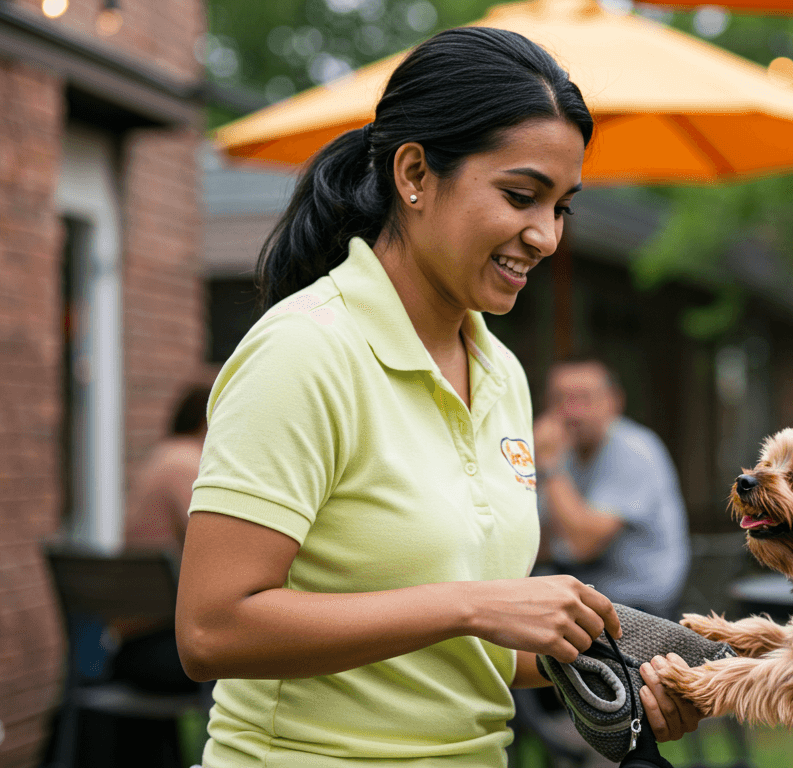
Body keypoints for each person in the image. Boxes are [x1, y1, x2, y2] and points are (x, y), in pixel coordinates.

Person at [174, 28, 699, 767]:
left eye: (562, 208)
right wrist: (474, 601)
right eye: (521, 196)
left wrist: (613, 670)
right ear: (415, 174)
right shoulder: (304, 351)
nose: (546, 236)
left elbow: (462, 651)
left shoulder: (502, 373)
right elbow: (211, 630)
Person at [533, 359, 690, 618]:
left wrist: (550, 467)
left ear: (614, 401)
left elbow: (582, 544)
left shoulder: (635, 449)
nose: (572, 412)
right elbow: (536, 541)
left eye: (585, 399)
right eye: (560, 400)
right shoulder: (561, 451)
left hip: (640, 609)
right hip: (583, 598)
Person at [124, 383, 209, 551]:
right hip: (163, 573)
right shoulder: (185, 461)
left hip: (142, 570)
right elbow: (208, 536)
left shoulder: (164, 453)